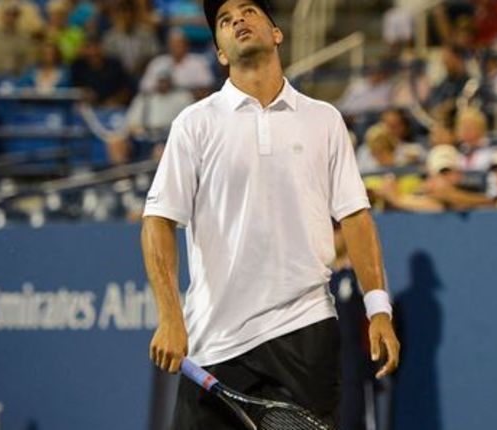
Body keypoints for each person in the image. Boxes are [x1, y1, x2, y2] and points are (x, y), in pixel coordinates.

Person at [141, 1, 400, 428]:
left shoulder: (325, 120)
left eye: (248, 11)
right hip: (214, 344)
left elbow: (355, 218)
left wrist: (379, 310)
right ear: (221, 53)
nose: (237, 20)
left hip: (304, 333)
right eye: (224, 20)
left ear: (276, 33)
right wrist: (170, 317)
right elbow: (157, 221)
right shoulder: (194, 124)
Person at [138, 27, 214, 94]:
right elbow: (144, 86)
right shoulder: (158, 62)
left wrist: (180, 88)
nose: (175, 48)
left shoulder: (198, 62)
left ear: (186, 45)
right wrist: (160, 86)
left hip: (189, 101)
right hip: (161, 102)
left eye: (179, 45)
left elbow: (206, 86)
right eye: (172, 45)